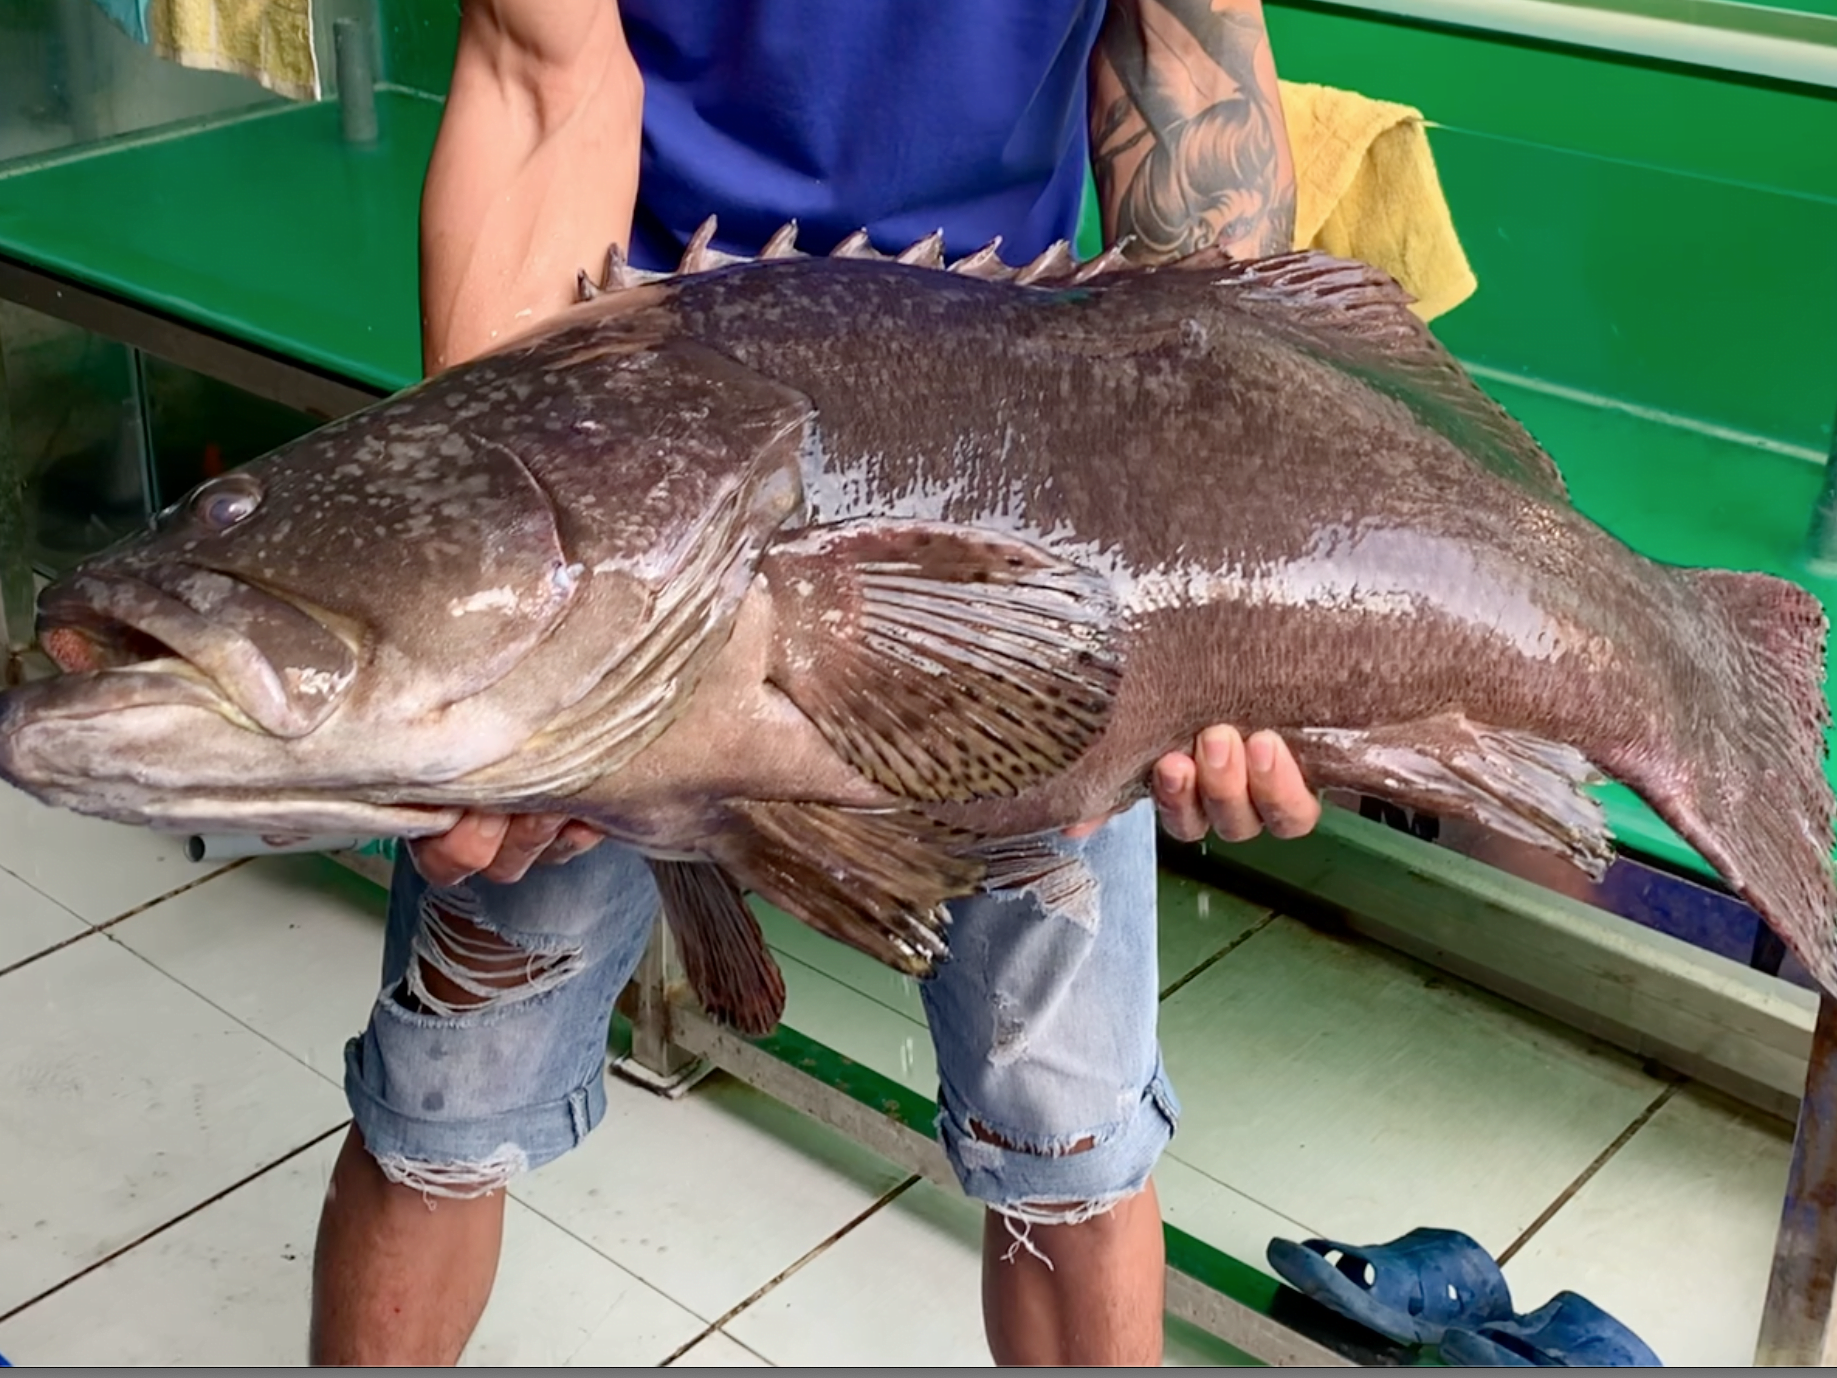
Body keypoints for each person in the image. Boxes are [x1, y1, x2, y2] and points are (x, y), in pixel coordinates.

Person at [310, 1, 1321, 1365]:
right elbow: (544, 75)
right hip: (636, 432)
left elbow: (1194, 87)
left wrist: (1221, 560)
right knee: (441, 1101)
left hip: (1021, 473)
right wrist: (508, 630)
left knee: (1072, 1140)